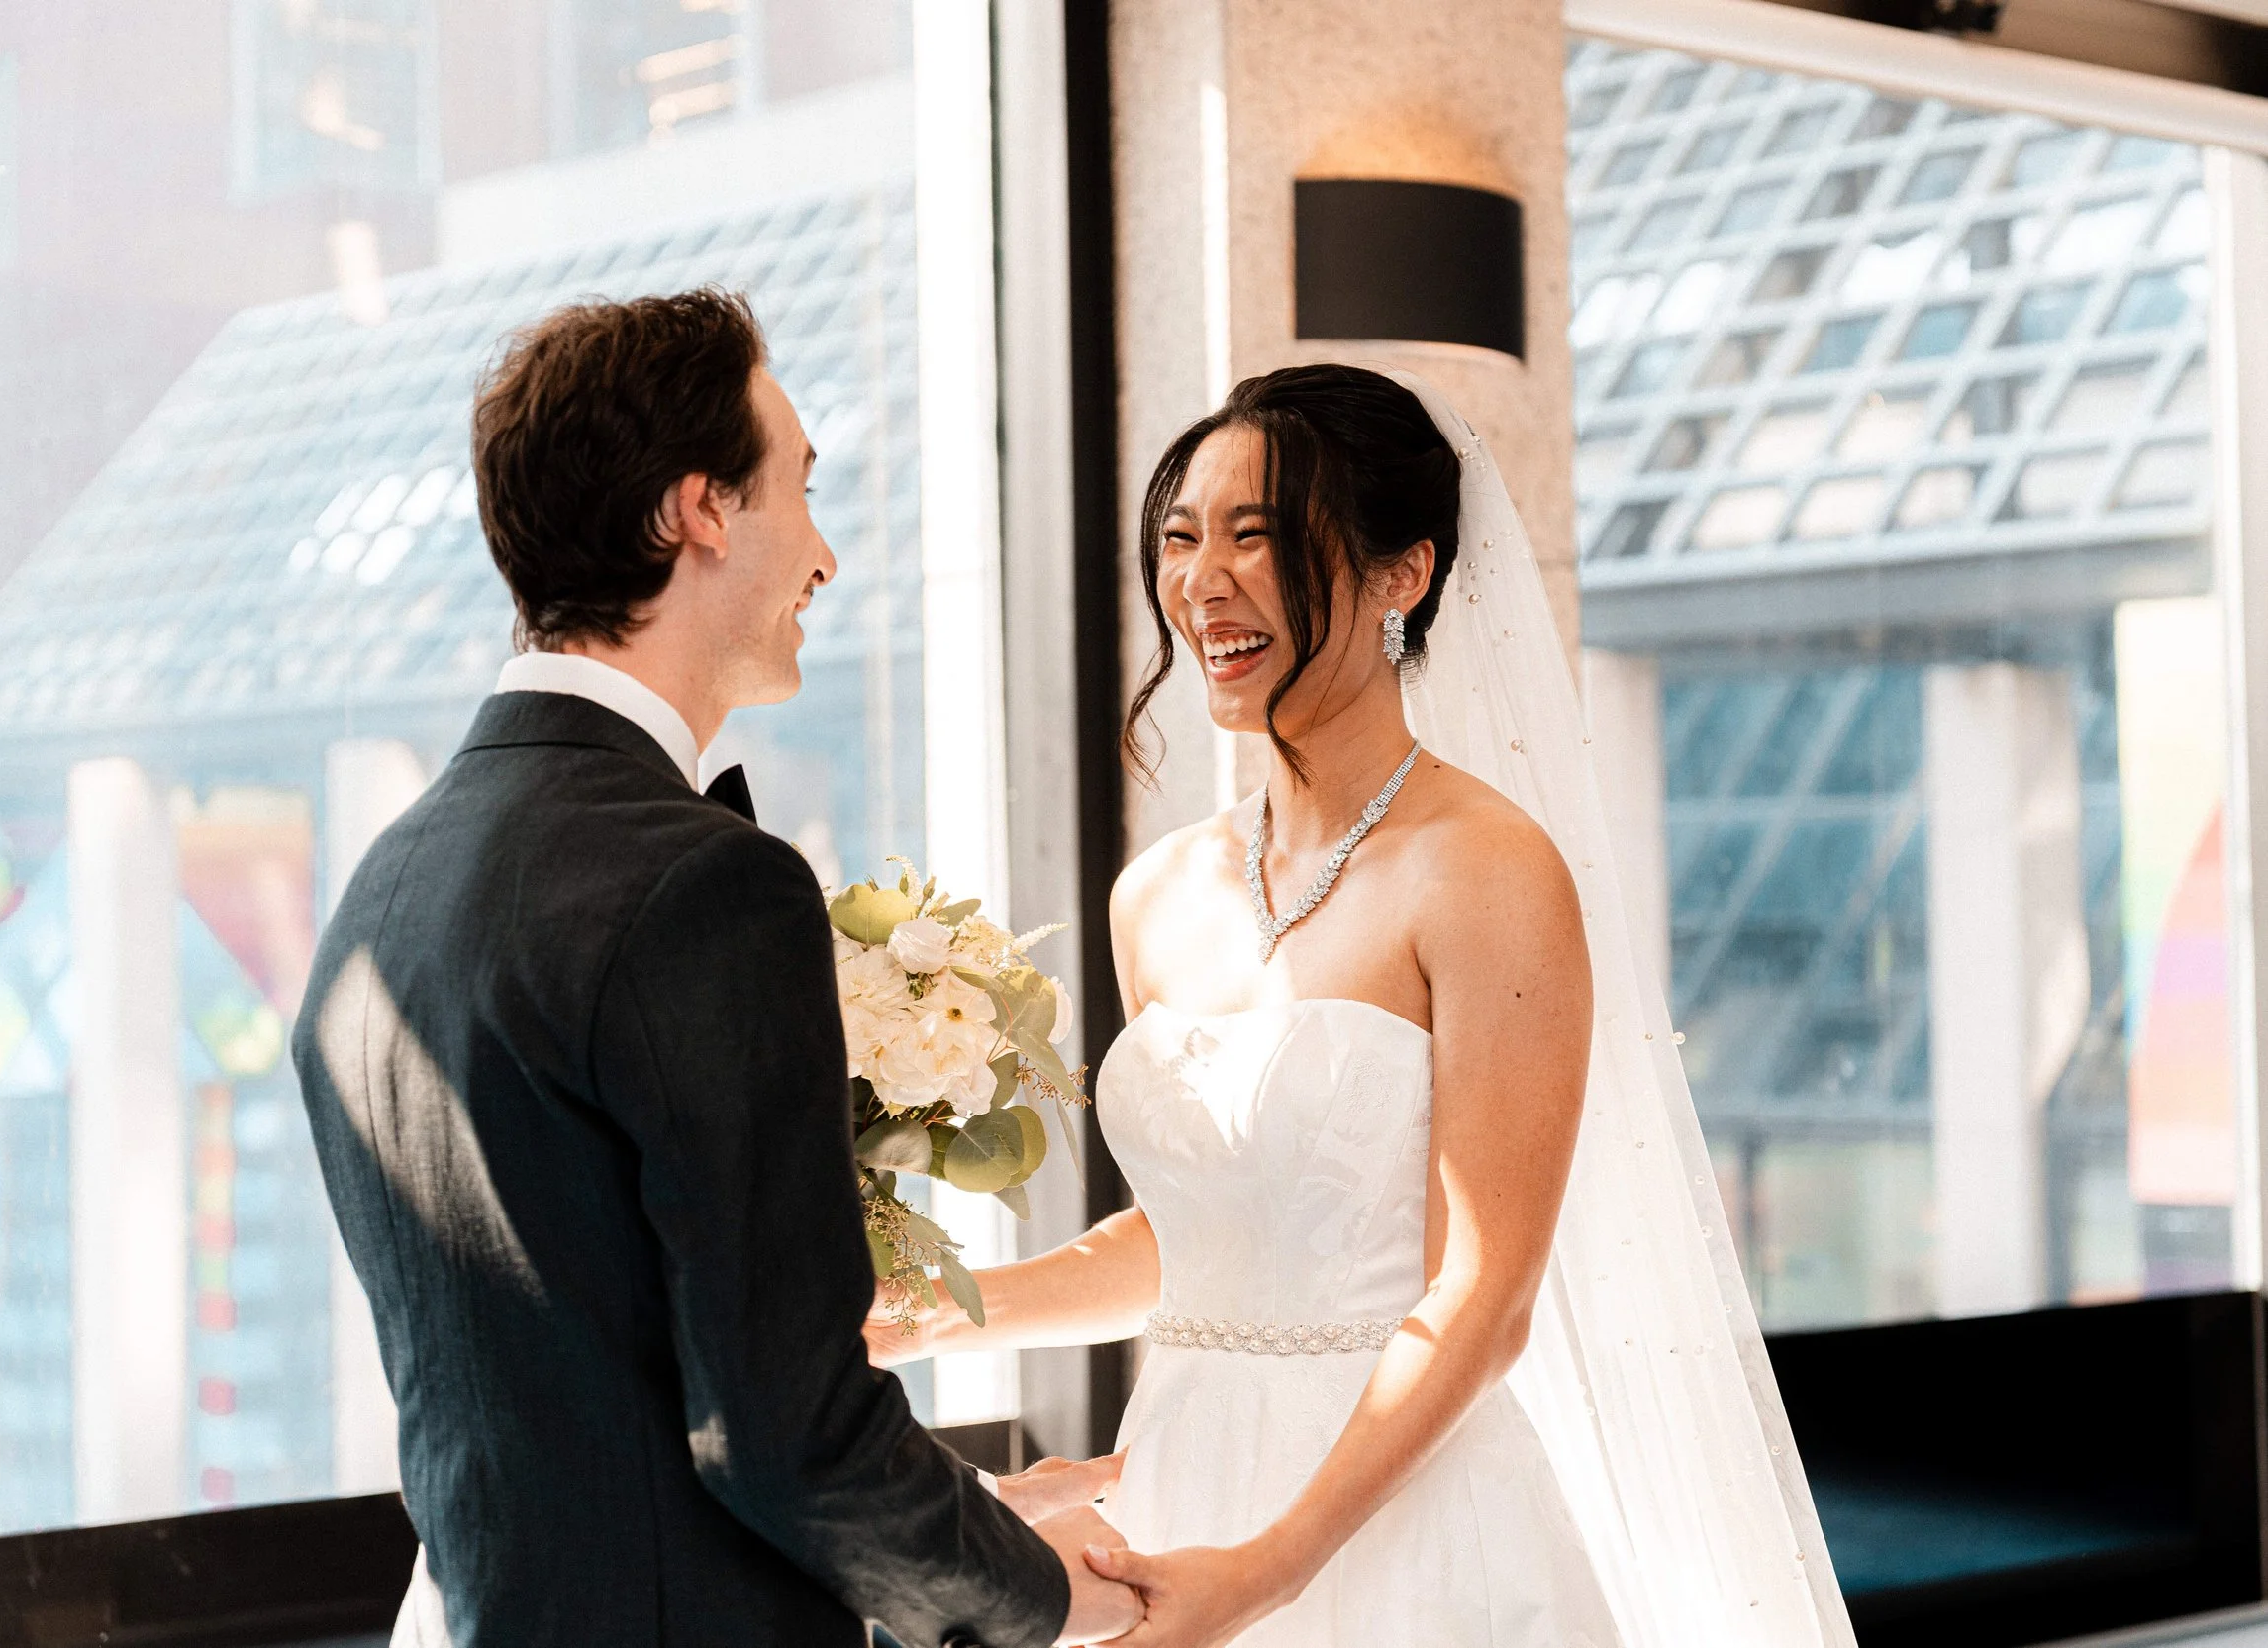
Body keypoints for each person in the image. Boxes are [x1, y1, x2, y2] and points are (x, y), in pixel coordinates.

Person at [868, 365, 1858, 1648]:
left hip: (1402, 1528)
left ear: (1403, 573)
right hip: (1184, 1489)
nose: (1203, 581)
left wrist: (1269, 1572)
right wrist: (941, 1312)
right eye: (1182, 538)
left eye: (1257, 536)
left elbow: (1486, 1298)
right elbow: (1214, 1237)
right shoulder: (1154, 895)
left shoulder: (1487, 872)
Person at [294, 288, 1140, 1648]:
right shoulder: (707, 887)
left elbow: (600, 1391)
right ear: (699, 510)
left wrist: (976, 1509)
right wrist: (1039, 1594)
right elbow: (787, 1438)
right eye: (800, 484)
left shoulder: (382, 891)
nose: (825, 555)